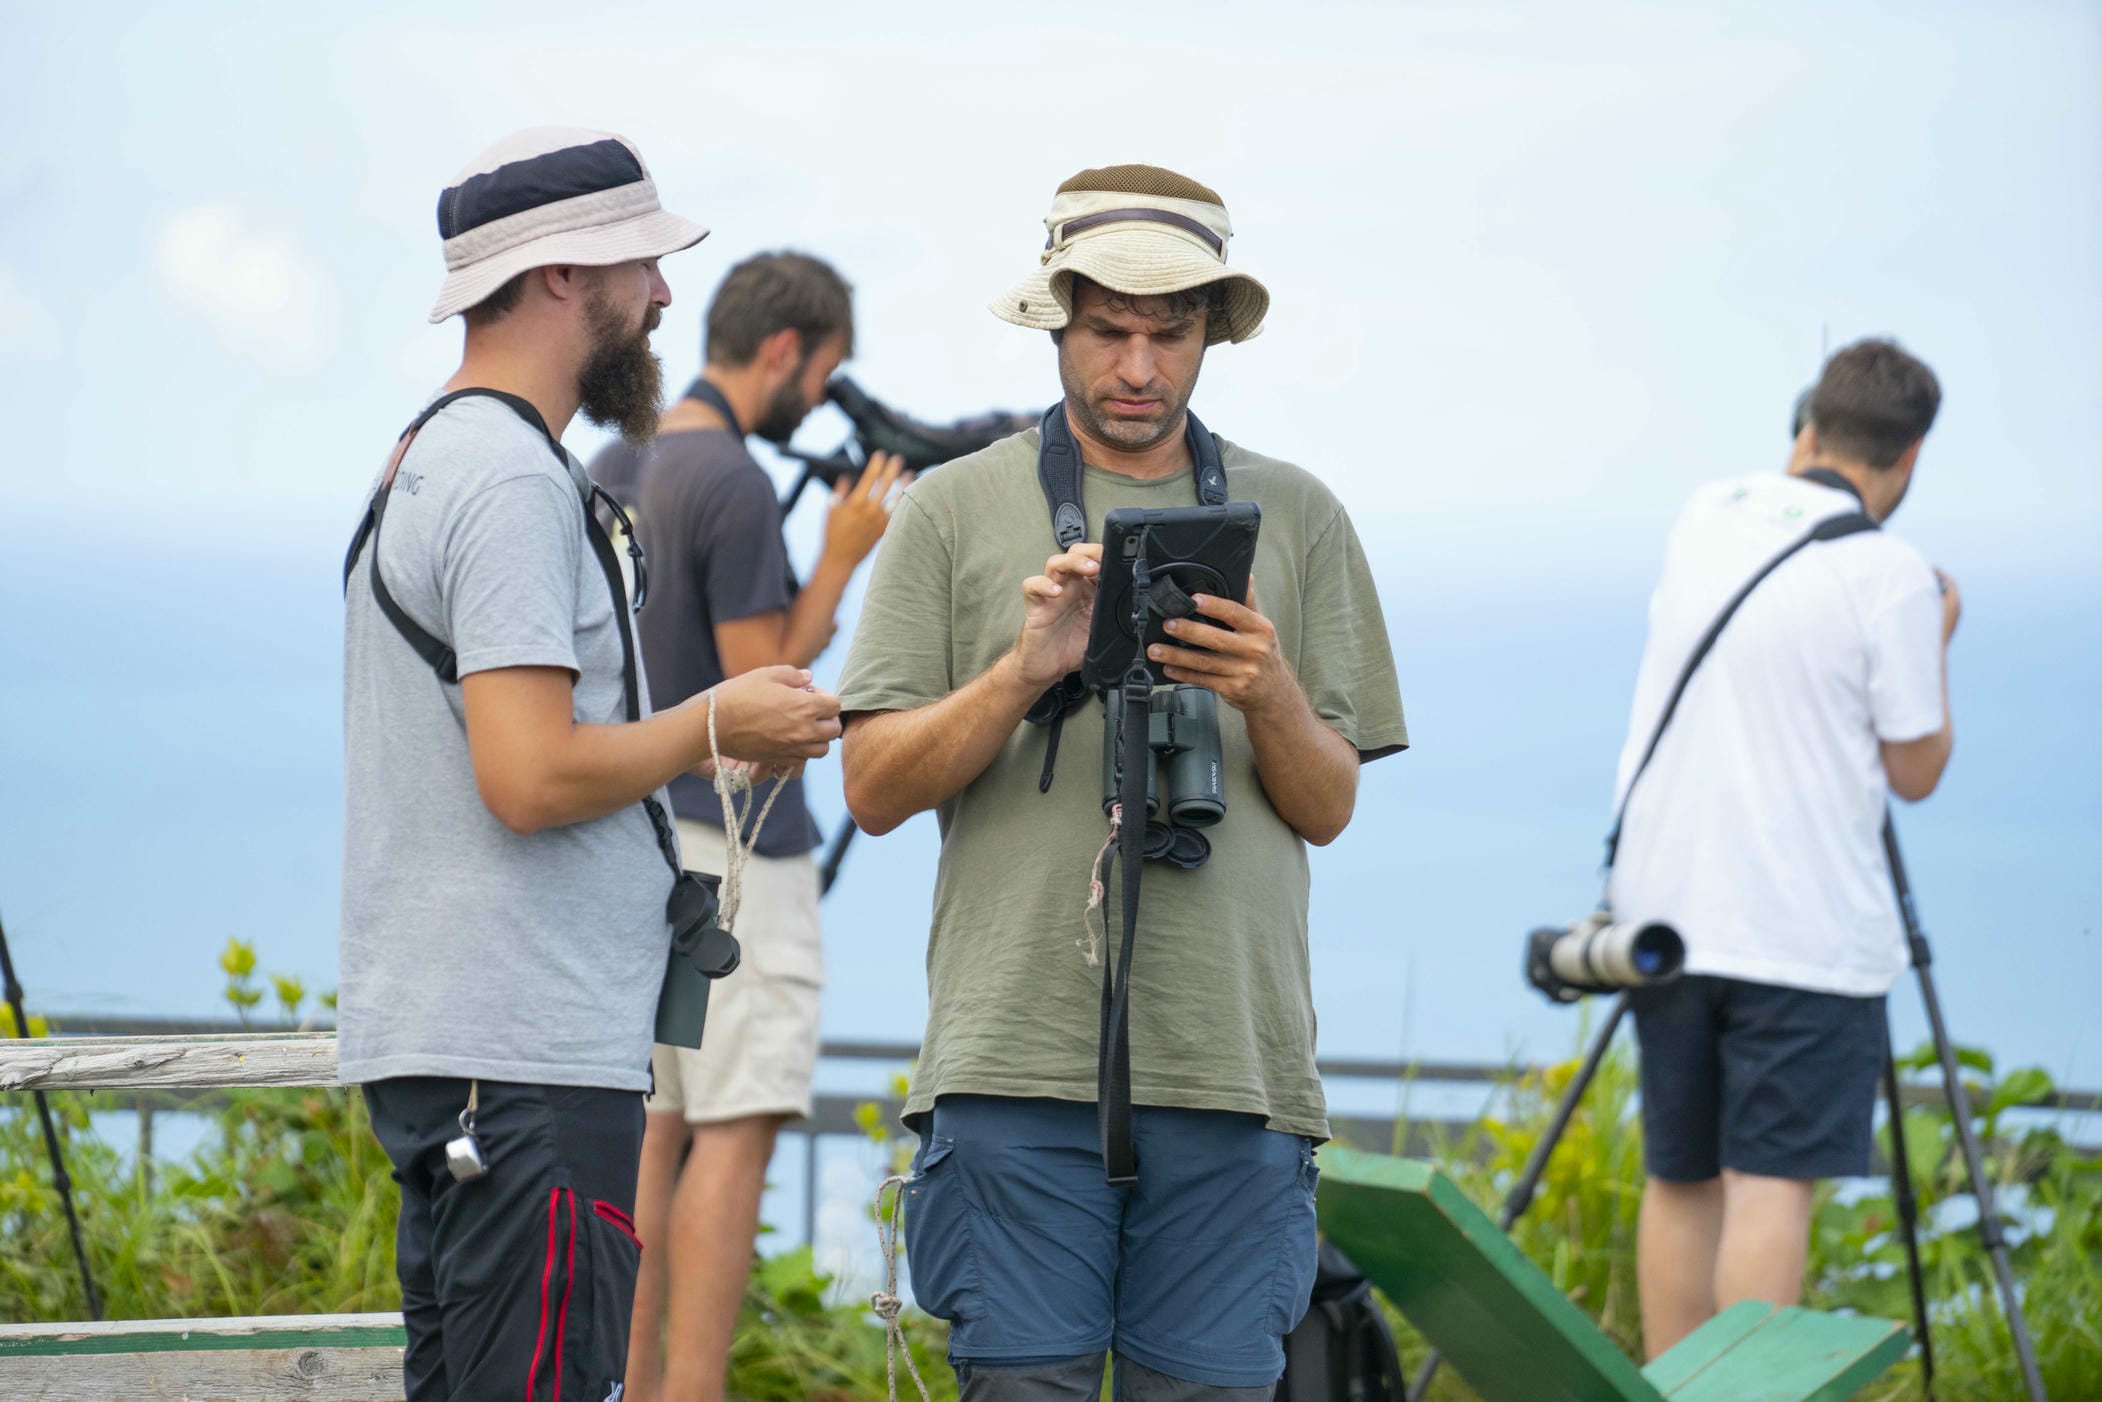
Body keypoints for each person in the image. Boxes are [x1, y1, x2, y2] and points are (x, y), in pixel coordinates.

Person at [836, 165, 1408, 1400]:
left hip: (1231, 1068)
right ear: (1057, 320)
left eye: (1170, 332)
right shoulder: (949, 510)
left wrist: (1262, 687)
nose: (1138, 367)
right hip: (1010, 1064)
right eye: (1106, 330)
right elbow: (871, 787)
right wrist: (1022, 670)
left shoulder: (1298, 516)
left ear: (1211, 331)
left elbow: (1327, 804)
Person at [337, 127, 842, 1402]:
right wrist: (719, 720)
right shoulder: (508, 477)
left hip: (462, 1050)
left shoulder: (428, 452)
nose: (665, 297)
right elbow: (528, 774)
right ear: (563, 274)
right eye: (642, 265)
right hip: (524, 1064)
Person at [1606, 338, 1956, 1358]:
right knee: (1768, 1183)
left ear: (1806, 425)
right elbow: (1914, 768)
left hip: (1663, 909)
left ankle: (1669, 1392)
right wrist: (1937, 627)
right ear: (1910, 455)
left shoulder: (1705, 513)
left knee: (1679, 1174)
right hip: (1800, 928)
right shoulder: (1890, 575)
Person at [600, 253, 907, 1402]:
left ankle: (621, 1385)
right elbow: (755, 695)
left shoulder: (612, 462)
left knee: (650, 1131)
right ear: (783, 351)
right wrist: (838, 558)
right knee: (734, 1128)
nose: (818, 400)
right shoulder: (727, 481)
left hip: (632, 838)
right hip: (733, 852)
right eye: (824, 376)